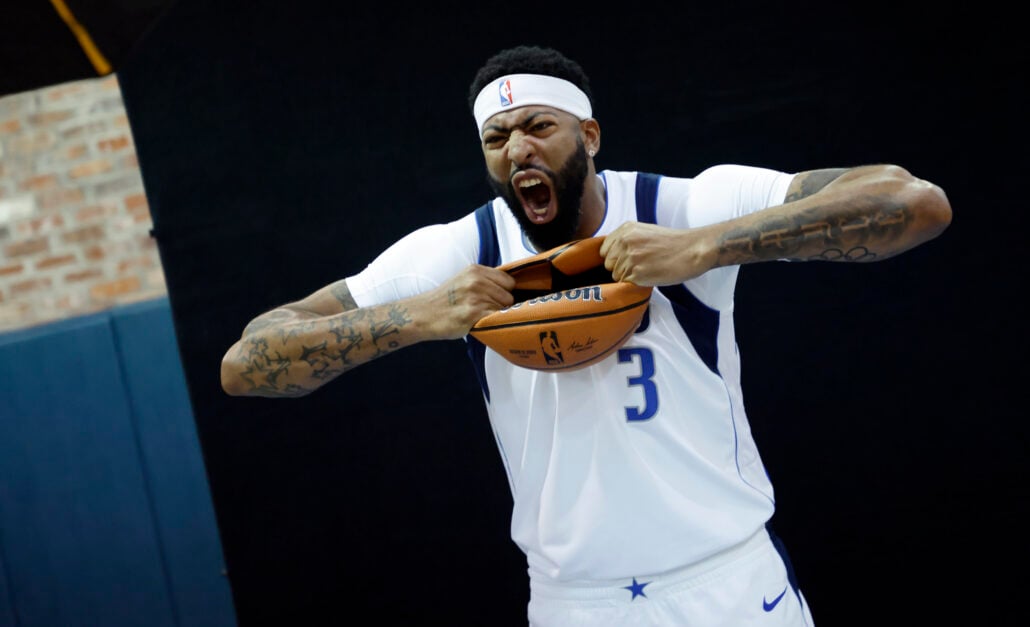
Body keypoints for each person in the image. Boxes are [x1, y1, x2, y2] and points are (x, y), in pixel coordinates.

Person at [220, 44, 952, 626]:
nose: (517, 150)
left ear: (589, 134)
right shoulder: (458, 251)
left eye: (539, 126)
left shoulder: (682, 205)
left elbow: (912, 203)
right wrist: (416, 317)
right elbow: (245, 360)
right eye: (497, 137)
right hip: (578, 602)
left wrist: (706, 247)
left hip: (726, 583)